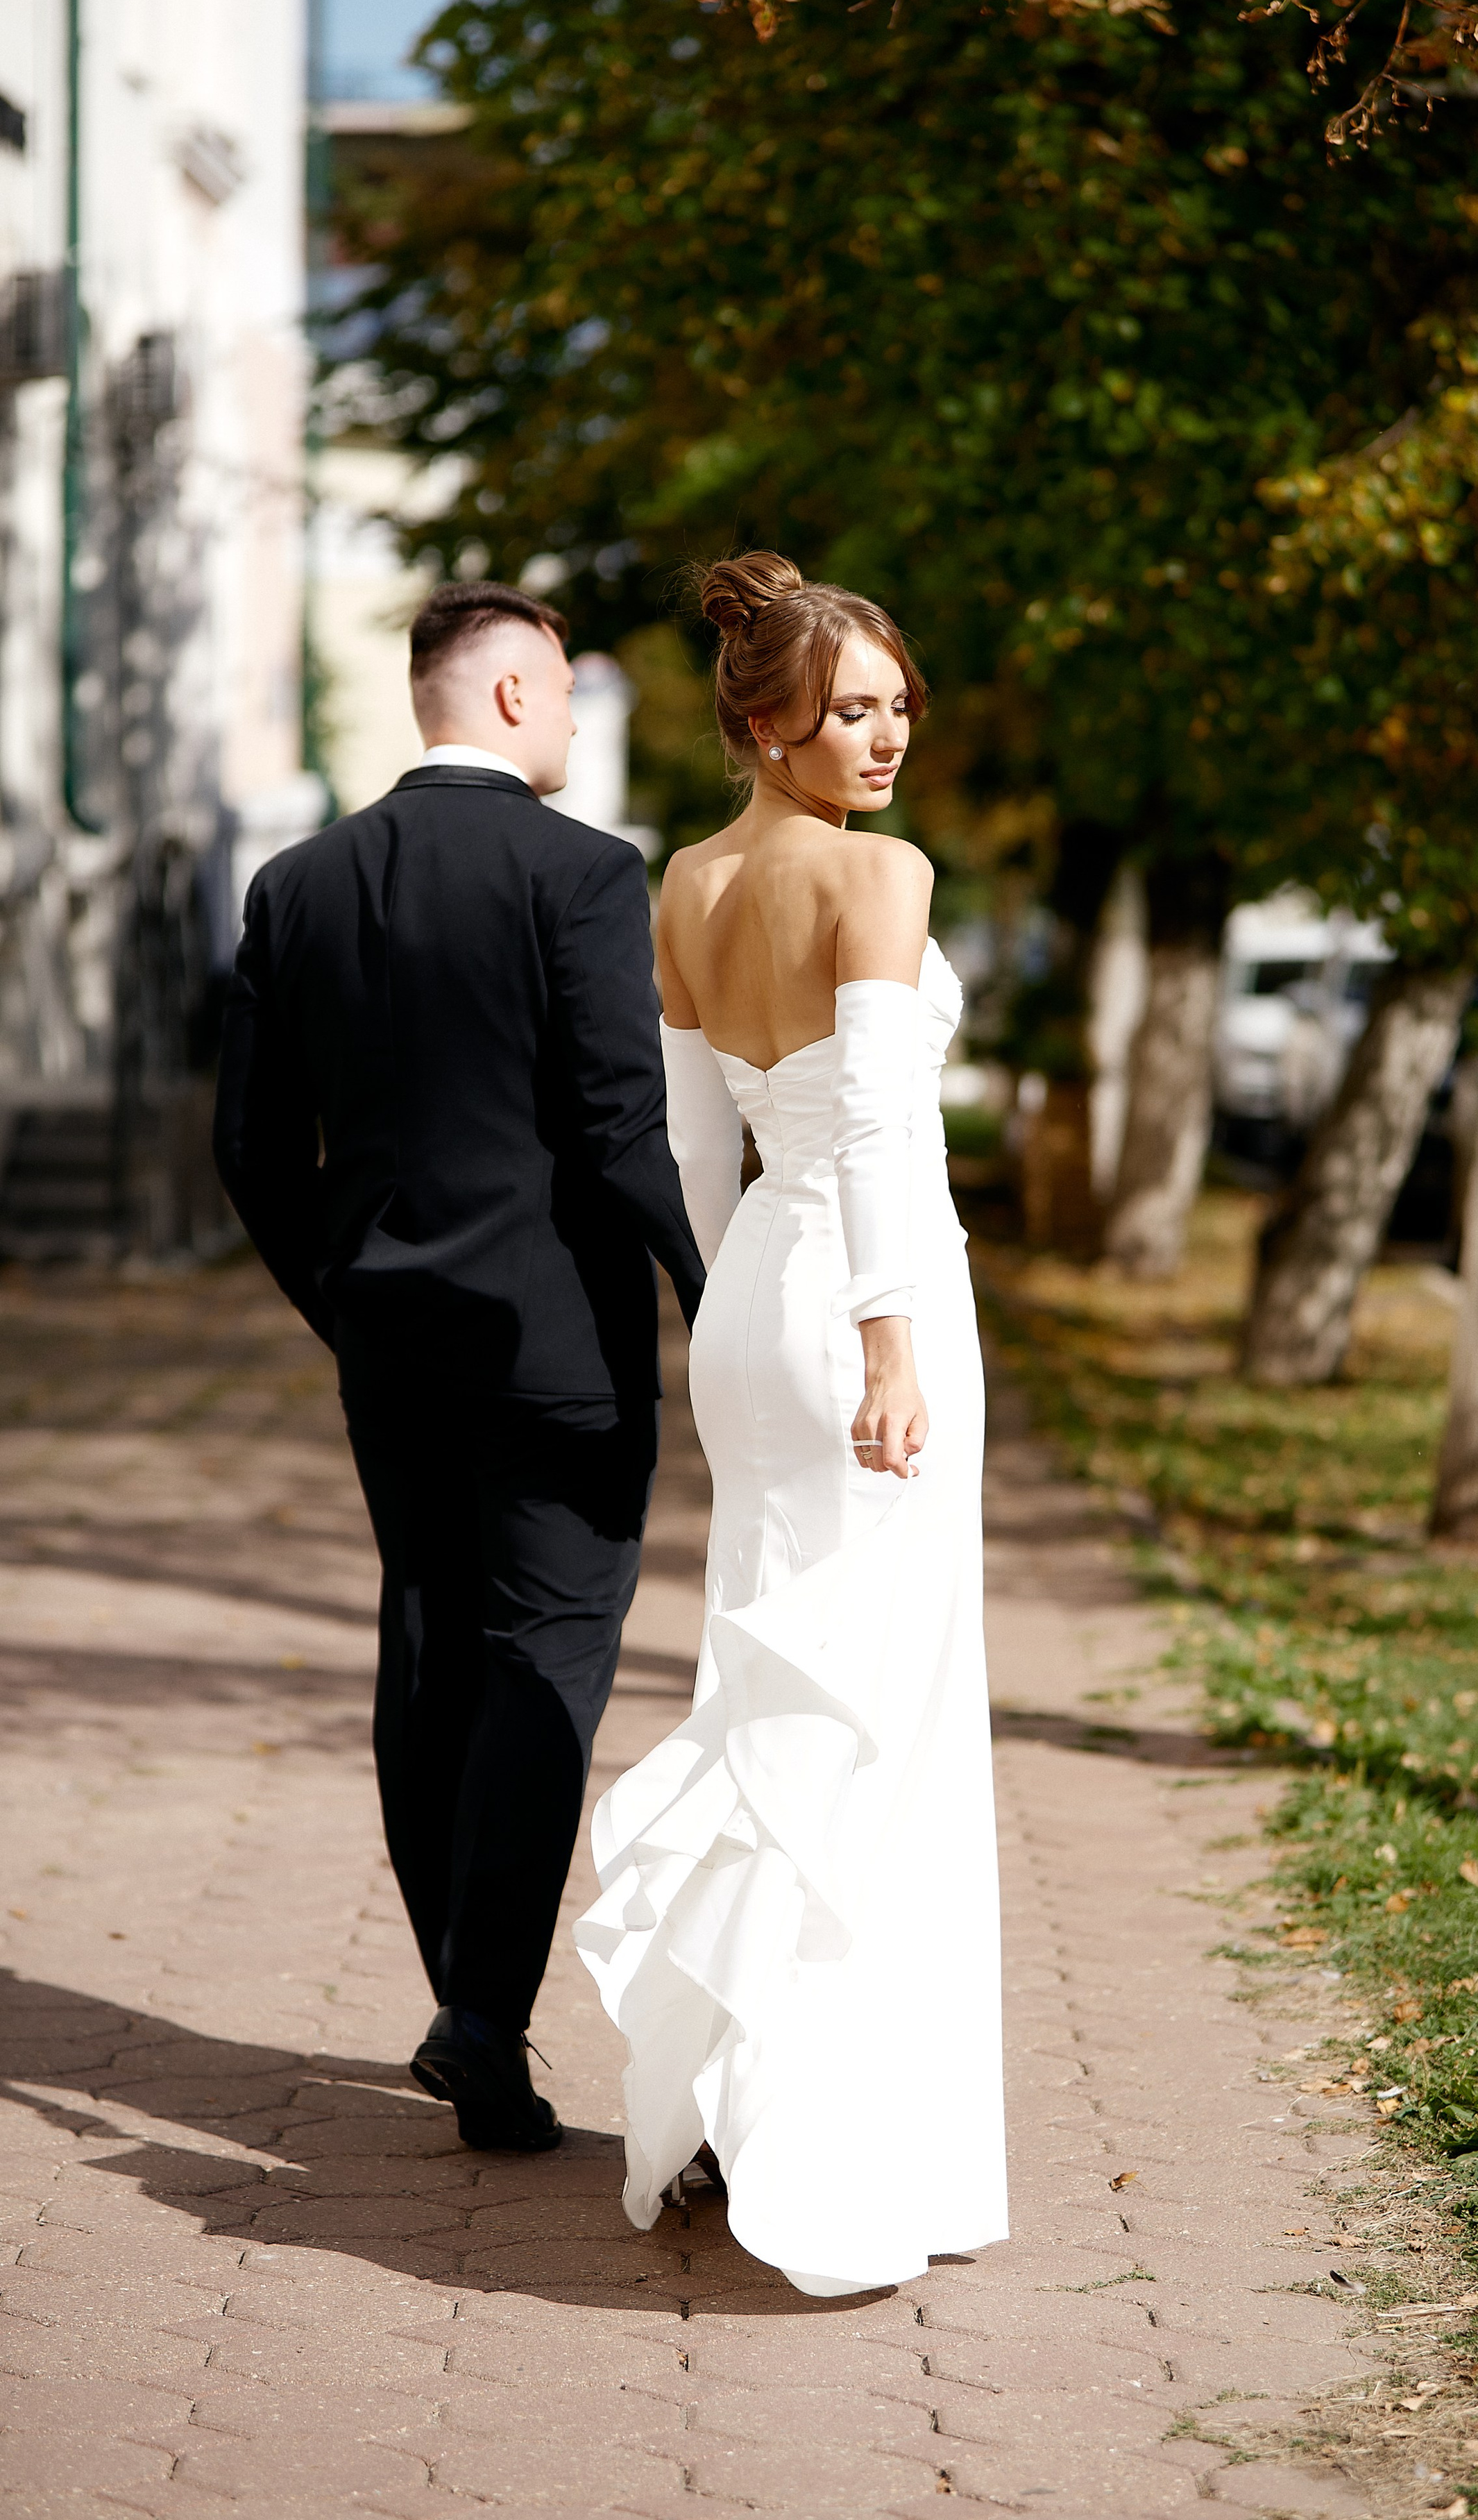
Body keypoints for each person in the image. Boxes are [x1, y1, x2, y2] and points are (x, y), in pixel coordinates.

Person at [214, 580, 705, 2155]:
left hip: (389, 1344)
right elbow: (620, 1128)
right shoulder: (583, 872)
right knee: (546, 1655)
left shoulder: (299, 884)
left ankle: (466, 2000)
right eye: (560, 689)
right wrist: (717, 1292)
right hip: (559, 1352)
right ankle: (481, 2014)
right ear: (507, 694)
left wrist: (341, 1300)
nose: (568, 716)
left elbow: (251, 1151)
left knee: (428, 1652)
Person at [575, 552, 1007, 2297]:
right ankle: (845, 2144)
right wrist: (889, 1349)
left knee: (770, 1686)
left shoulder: (681, 884)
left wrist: (720, 1315)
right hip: (867, 1303)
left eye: (898, 706)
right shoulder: (880, 875)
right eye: (848, 711)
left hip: (755, 1292)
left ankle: (731, 2105)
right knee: (875, 1713)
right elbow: (885, 1127)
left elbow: (691, 1145)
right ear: (765, 726)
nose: (884, 738)